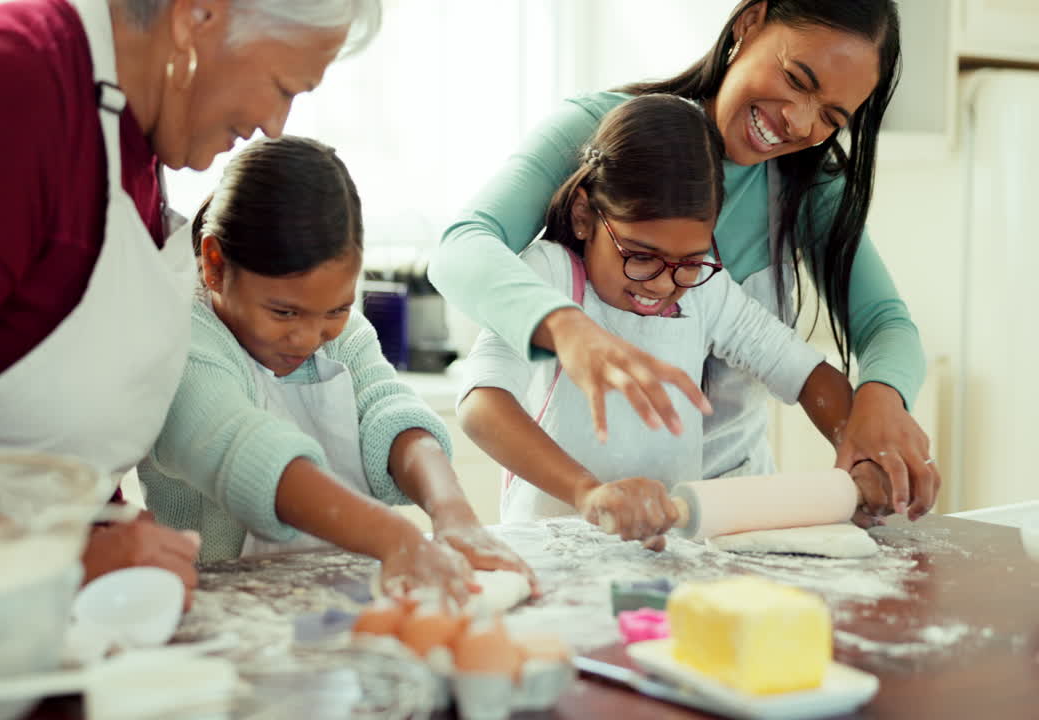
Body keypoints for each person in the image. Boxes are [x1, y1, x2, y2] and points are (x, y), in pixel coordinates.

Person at [0, 0, 381, 613]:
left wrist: (108, 532)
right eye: (282, 86)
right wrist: (63, 558)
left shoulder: (129, 135)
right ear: (199, 16)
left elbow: (48, 417)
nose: (275, 123)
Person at [430, 0, 939, 526]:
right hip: (582, 522)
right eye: (796, 78)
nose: (800, 121)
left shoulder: (804, 191)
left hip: (728, 515)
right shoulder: (602, 142)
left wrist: (875, 418)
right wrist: (567, 328)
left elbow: (879, 328)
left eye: (832, 117)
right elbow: (461, 247)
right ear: (750, 22)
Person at [458, 95, 887, 549]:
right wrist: (588, 494)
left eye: (688, 260)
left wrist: (866, 452)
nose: (663, 284)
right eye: (640, 256)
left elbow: (804, 371)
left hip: (663, 555)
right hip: (549, 553)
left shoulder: (705, 291)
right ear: (585, 216)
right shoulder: (549, 276)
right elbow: (480, 406)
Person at [138, 135, 535, 603]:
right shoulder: (179, 341)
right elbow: (245, 450)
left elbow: (390, 412)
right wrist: (398, 539)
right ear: (215, 263)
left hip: (341, 600)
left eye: (335, 310)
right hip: (219, 610)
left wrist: (453, 513)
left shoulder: (341, 333)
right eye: (283, 313)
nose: (308, 339)